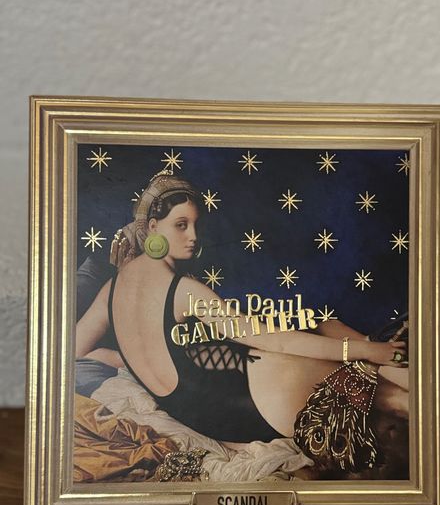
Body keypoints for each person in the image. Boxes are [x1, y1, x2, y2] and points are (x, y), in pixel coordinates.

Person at [75, 172, 408, 472]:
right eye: (181, 225)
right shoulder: (183, 290)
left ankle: (386, 352)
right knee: (389, 391)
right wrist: (363, 350)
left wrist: (118, 358)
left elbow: (76, 350)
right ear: (152, 227)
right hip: (256, 402)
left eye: (196, 225)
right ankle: (389, 354)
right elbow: (274, 340)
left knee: (324, 326)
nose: (194, 236)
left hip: (215, 417)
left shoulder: (110, 290)